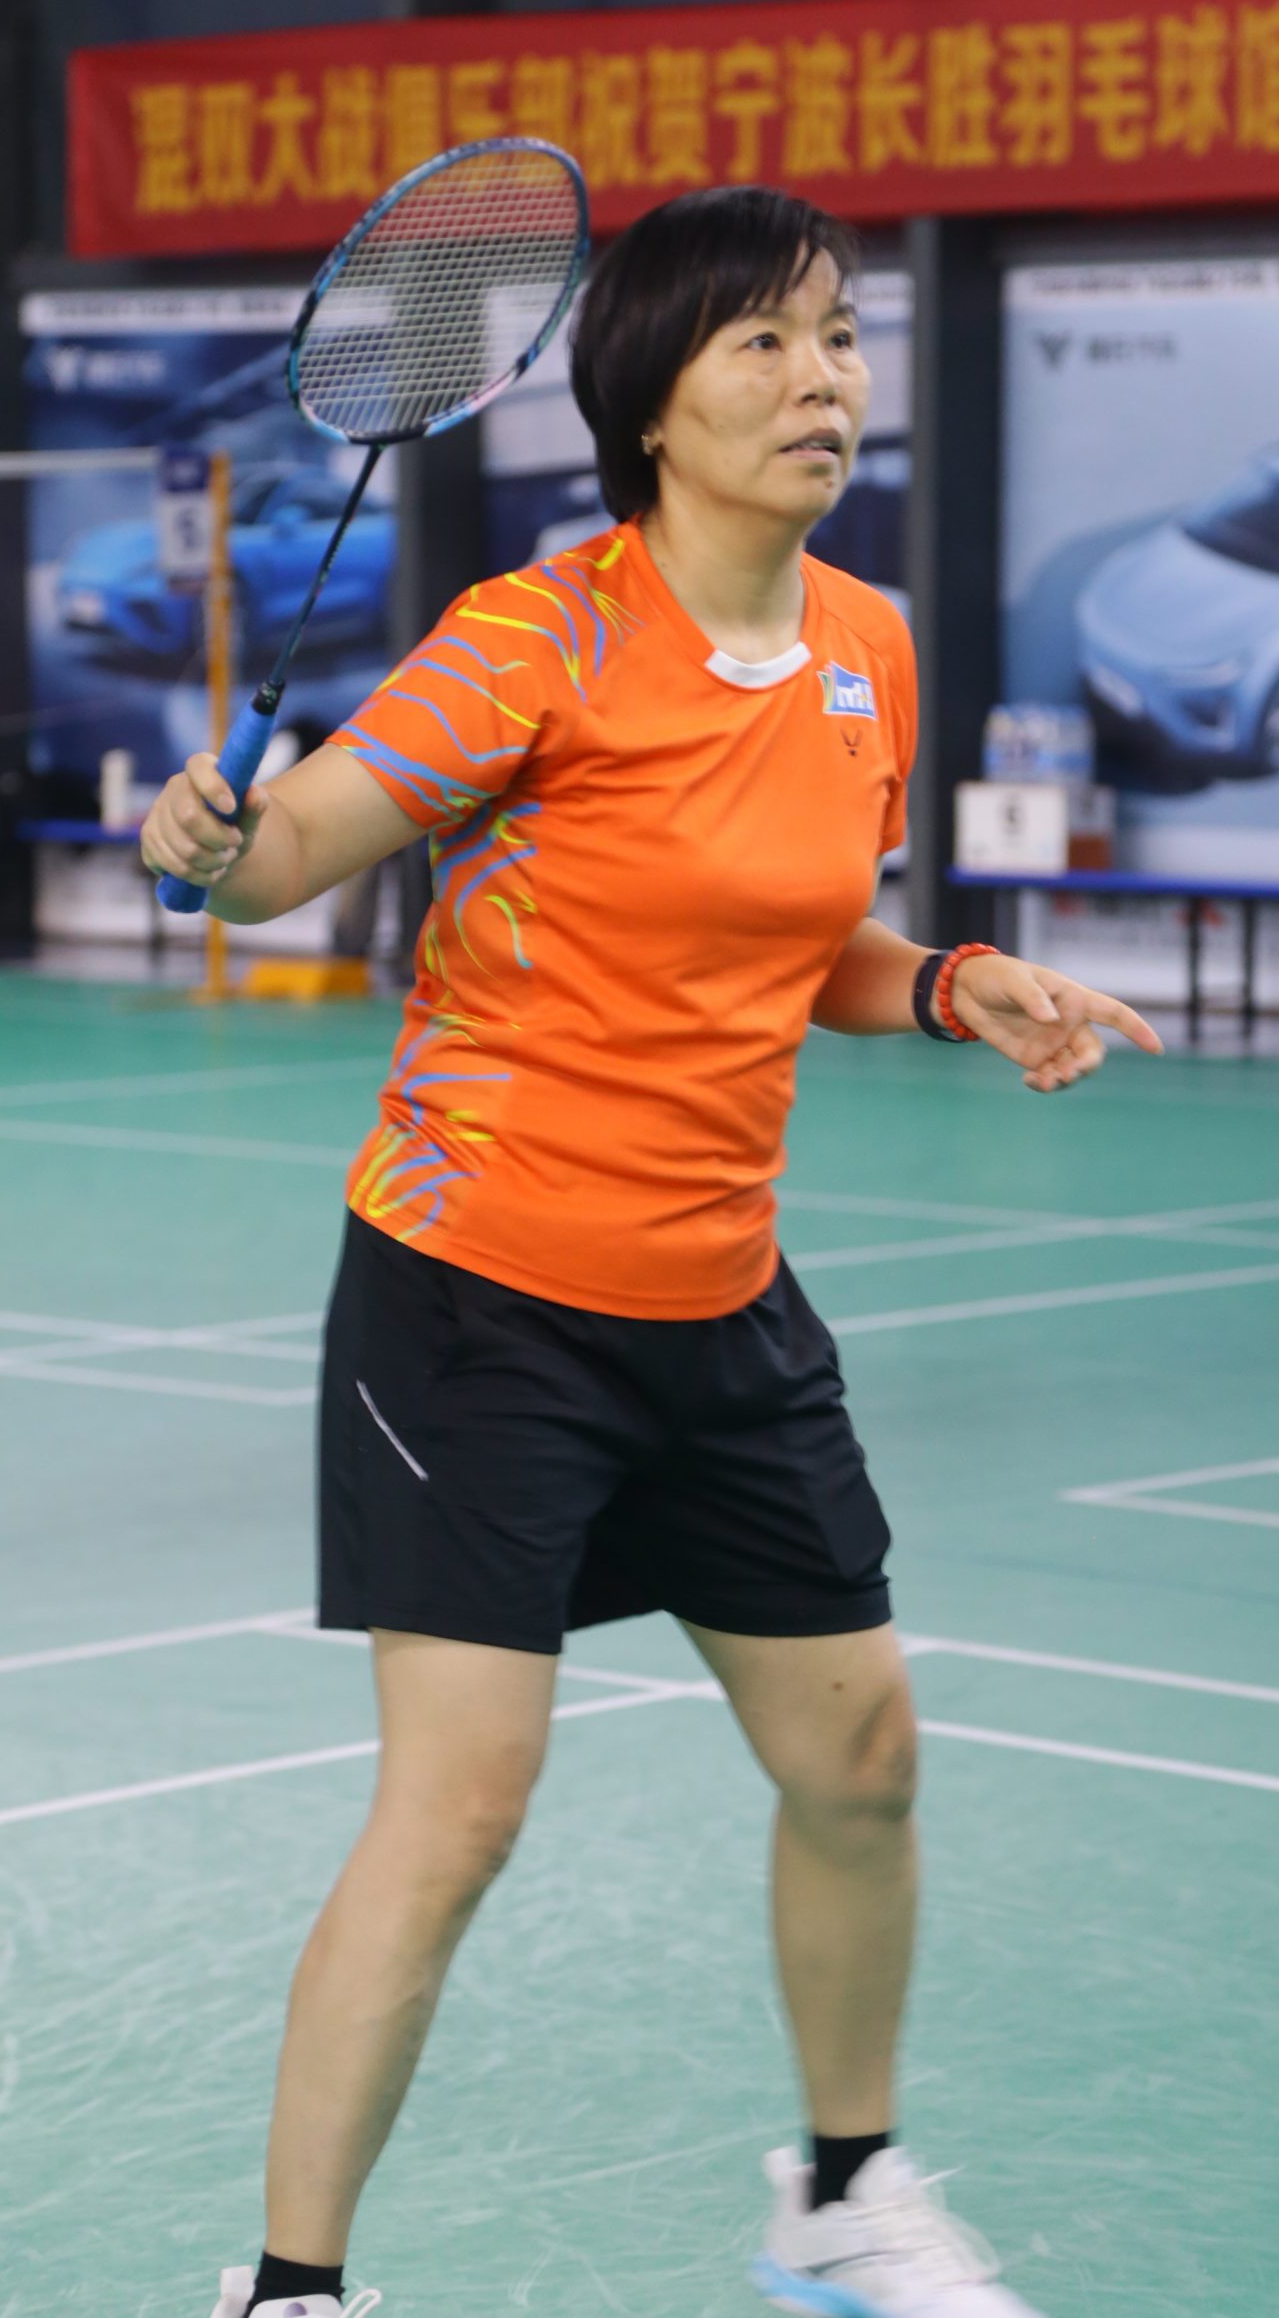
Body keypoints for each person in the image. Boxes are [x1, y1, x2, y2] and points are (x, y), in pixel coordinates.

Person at [142, 185, 1163, 2318]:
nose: (820, 380)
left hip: (717, 1296)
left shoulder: (867, 646)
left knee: (858, 1759)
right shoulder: (537, 637)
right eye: (760, 344)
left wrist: (948, 978)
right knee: (459, 1810)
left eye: (838, 335)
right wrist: (217, 843)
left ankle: (840, 2197)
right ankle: (290, 2290)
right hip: (478, 1298)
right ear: (647, 406)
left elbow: (800, 940)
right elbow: (300, 843)